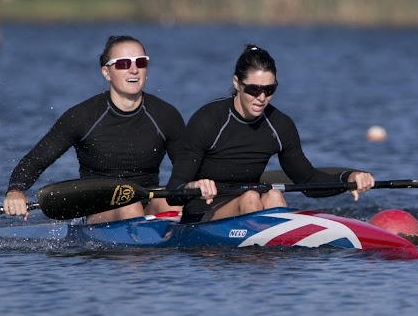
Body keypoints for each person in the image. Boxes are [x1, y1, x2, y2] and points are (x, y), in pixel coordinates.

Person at [157, 44, 375, 221]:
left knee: (273, 195)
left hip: (248, 206)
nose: (262, 98)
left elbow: (307, 181)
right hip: (202, 213)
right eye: (254, 89)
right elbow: (174, 191)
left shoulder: (279, 125)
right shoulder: (207, 120)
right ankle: (263, 260)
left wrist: (348, 178)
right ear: (237, 83)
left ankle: (275, 267)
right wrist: (195, 185)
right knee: (252, 197)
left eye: (269, 90)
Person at [3, 35, 186, 223]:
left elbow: (189, 166)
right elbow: (35, 160)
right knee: (129, 206)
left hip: (148, 202)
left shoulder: (166, 116)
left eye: (140, 62)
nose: (134, 70)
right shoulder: (82, 117)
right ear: (106, 72)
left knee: (177, 202)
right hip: (100, 211)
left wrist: (201, 185)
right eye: (123, 64)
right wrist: (16, 191)